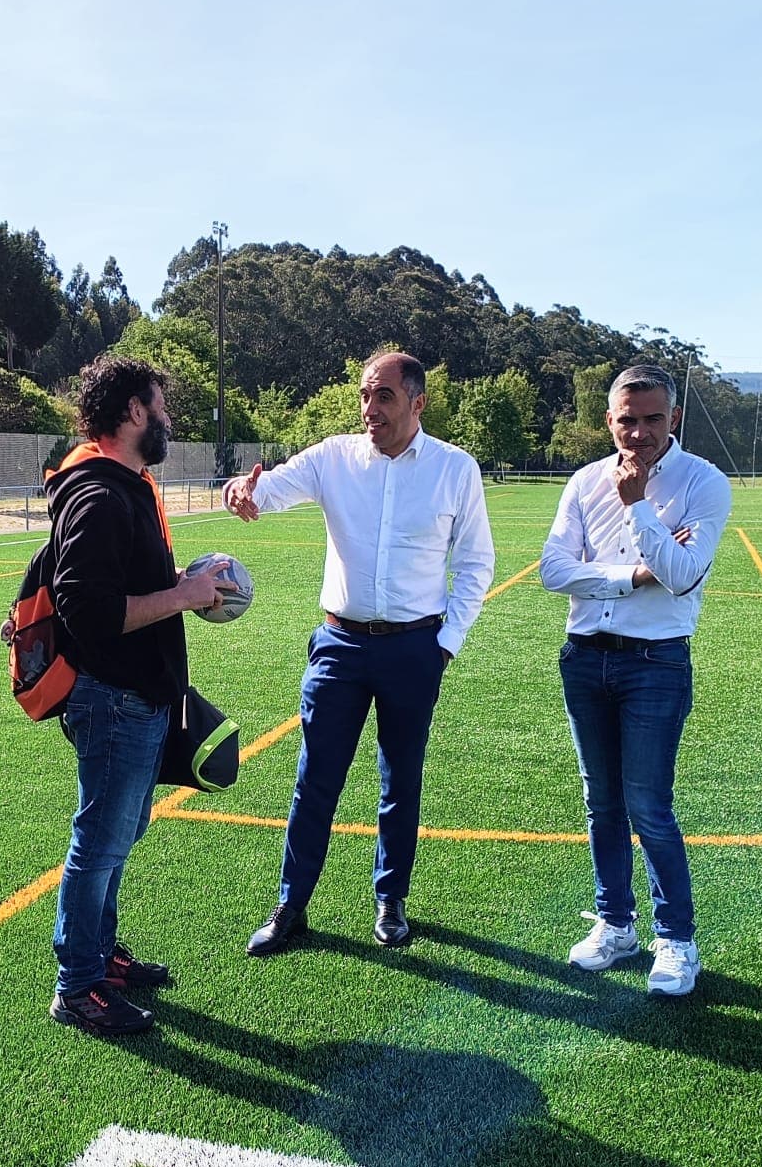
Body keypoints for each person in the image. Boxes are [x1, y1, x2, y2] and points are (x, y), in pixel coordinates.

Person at [224, 350, 495, 955]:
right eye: (366, 395)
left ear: (418, 403)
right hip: (340, 646)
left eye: (385, 397)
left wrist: (444, 645)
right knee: (315, 779)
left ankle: (390, 900)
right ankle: (291, 906)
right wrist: (244, 489)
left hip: (414, 649)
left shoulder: (455, 469)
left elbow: (476, 562)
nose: (371, 408)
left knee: (401, 780)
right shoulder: (332, 457)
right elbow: (269, 490)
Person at [44, 354, 231, 1036]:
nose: (168, 419)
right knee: (99, 840)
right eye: (161, 405)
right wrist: (182, 595)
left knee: (120, 835)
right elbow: (87, 610)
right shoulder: (99, 493)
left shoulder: (123, 486)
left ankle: (100, 955)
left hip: (135, 698)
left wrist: (185, 581)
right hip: (113, 699)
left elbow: (117, 582)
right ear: (132, 413)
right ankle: (77, 985)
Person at [540, 363, 732, 998]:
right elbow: (552, 570)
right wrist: (627, 577)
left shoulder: (703, 483)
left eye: (653, 419)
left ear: (673, 418)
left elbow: (680, 574)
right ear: (609, 419)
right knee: (601, 802)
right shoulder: (584, 480)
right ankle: (615, 924)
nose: (640, 432)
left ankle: (676, 939)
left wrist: (639, 508)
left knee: (649, 806)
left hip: (656, 661)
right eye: (628, 419)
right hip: (584, 654)